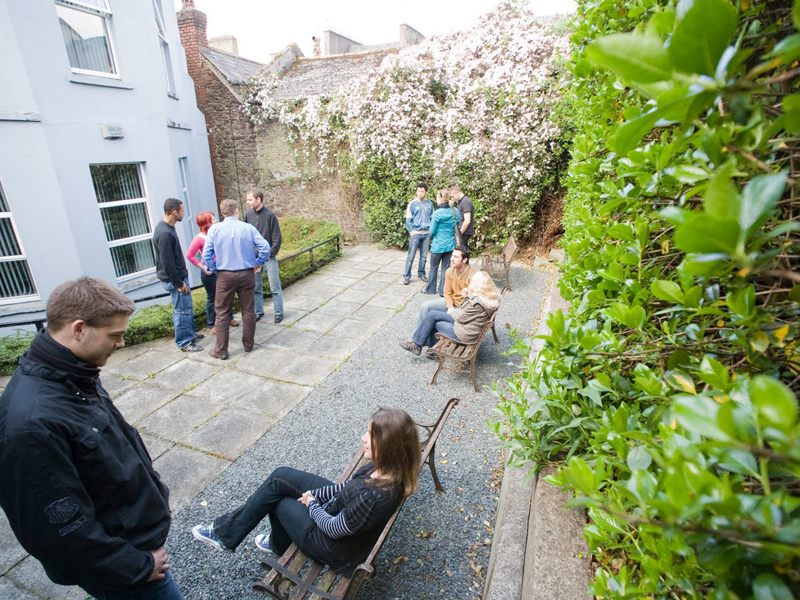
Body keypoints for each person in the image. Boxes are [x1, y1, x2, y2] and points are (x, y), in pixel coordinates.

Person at [0, 277, 183, 600]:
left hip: (129, 542)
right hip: (125, 569)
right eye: (115, 335)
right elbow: (56, 531)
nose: (121, 344)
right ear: (79, 329)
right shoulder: (30, 424)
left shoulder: (75, 374)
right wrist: (135, 567)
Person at [191, 407, 420, 573]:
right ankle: (226, 534)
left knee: (279, 502)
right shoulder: (387, 467)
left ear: (389, 445)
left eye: (371, 435)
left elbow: (333, 529)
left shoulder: (375, 496)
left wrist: (312, 504)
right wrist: (317, 494)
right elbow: (348, 487)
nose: (363, 438)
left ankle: (275, 545)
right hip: (340, 507)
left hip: (330, 545)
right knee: (281, 477)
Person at [202, 199, 270, 360]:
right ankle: (248, 345)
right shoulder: (247, 228)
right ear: (236, 211)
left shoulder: (215, 230)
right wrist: (257, 263)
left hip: (225, 275)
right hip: (246, 273)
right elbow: (265, 247)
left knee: (222, 312)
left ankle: (221, 350)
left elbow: (206, 255)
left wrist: (215, 268)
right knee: (248, 310)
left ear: (223, 213)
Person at [401, 271, 500, 360]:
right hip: (469, 327)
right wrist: (468, 296)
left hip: (464, 334)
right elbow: (465, 315)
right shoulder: (489, 297)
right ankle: (418, 344)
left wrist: (452, 310)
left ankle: (429, 351)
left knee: (435, 322)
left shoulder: (476, 303)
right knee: (432, 314)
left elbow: (460, 317)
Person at [154, 198, 203, 353]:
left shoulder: (168, 227)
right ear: (174, 212)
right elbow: (167, 263)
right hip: (175, 280)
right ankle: (184, 342)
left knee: (186, 308)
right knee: (181, 310)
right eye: (182, 211)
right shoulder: (164, 233)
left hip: (178, 278)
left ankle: (189, 334)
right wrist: (179, 284)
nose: (183, 213)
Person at [185, 211, 239, 334]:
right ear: (206, 223)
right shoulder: (199, 239)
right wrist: (203, 268)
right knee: (212, 298)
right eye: (213, 219)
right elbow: (190, 255)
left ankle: (229, 318)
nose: (216, 221)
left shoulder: (217, 233)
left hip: (221, 270)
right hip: (209, 273)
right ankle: (211, 324)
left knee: (226, 295)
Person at [244, 189, 284, 323]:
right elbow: (245, 237)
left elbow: (277, 238)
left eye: (250, 199)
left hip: (268, 258)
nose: (247, 202)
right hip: (254, 259)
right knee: (256, 287)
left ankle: (278, 312)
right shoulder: (248, 215)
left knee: (275, 287)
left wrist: (269, 255)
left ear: (258, 199)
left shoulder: (270, 215)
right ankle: (258, 312)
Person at [417, 246, 475, 328]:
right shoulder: (449, 271)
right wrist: (450, 307)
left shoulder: (473, 276)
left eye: (456, 257)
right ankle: (419, 336)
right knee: (425, 306)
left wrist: (456, 310)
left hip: (463, 308)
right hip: (452, 302)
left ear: (464, 260)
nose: (452, 259)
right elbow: (447, 292)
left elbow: (474, 300)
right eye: (452, 255)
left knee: (437, 321)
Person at [424, 188, 460, 296]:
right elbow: (457, 226)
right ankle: (442, 291)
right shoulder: (455, 211)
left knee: (433, 268)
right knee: (446, 268)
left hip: (438, 246)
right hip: (450, 245)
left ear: (440, 198)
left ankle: (430, 289)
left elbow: (432, 230)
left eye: (437, 197)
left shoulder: (438, 213)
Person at [402, 183, 434, 285]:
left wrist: (430, 231)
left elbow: (432, 218)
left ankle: (421, 273)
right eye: (418, 191)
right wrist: (412, 232)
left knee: (424, 257)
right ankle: (406, 276)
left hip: (426, 234)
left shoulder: (430, 204)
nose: (420, 193)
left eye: (422, 191)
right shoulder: (412, 204)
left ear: (426, 192)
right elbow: (408, 218)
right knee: (410, 256)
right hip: (416, 234)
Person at [450, 185, 475, 249]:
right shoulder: (460, 201)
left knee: (462, 252)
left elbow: (467, 220)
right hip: (463, 231)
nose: (452, 198)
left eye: (452, 196)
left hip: (465, 232)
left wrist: (460, 233)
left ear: (457, 192)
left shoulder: (465, 201)